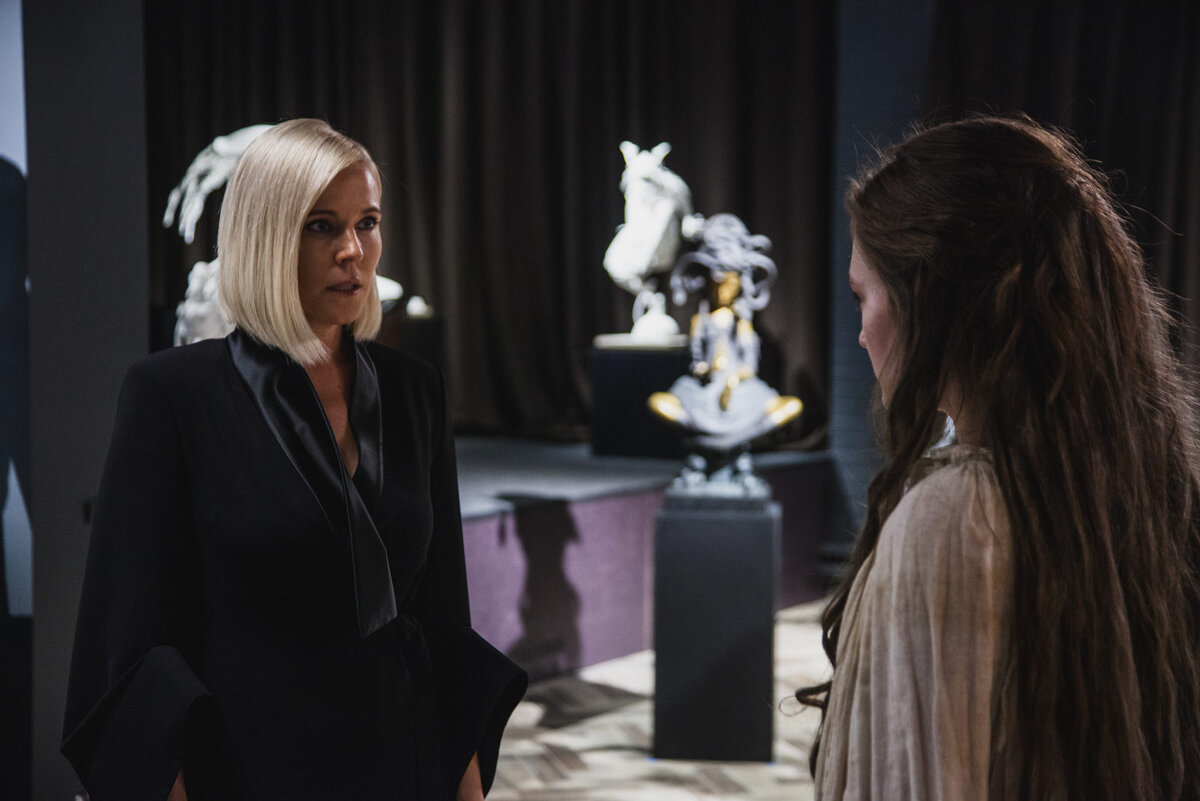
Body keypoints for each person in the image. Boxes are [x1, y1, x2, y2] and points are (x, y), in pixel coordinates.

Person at [62, 119, 527, 801]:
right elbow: (129, 643)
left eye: (367, 223)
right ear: (265, 237)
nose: (353, 251)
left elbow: (442, 623)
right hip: (253, 766)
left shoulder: (413, 389)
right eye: (321, 226)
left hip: (401, 762)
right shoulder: (173, 395)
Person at [799, 115, 1200, 800]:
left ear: (930, 297)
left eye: (863, 296)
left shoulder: (957, 516)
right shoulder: (1134, 479)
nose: (861, 333)